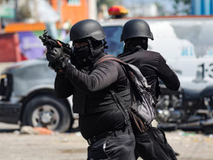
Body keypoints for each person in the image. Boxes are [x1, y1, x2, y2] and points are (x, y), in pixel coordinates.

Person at [46, 19, 136, 160]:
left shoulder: (110, 65)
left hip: (115, 144)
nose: (77, 48)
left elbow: (92, 84)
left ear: (94, 43)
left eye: (81, 44)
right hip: (99, 144)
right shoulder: (82, 70)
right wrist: (60, 69)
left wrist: (66, 64)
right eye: (75, 45)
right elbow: (61, 93)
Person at [117, 19, 180, 160]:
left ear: (125, 41)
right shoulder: (154, 58)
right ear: (145, 41)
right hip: (144, 124)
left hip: (122, 125)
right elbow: (174, 84)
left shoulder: (118, 61)